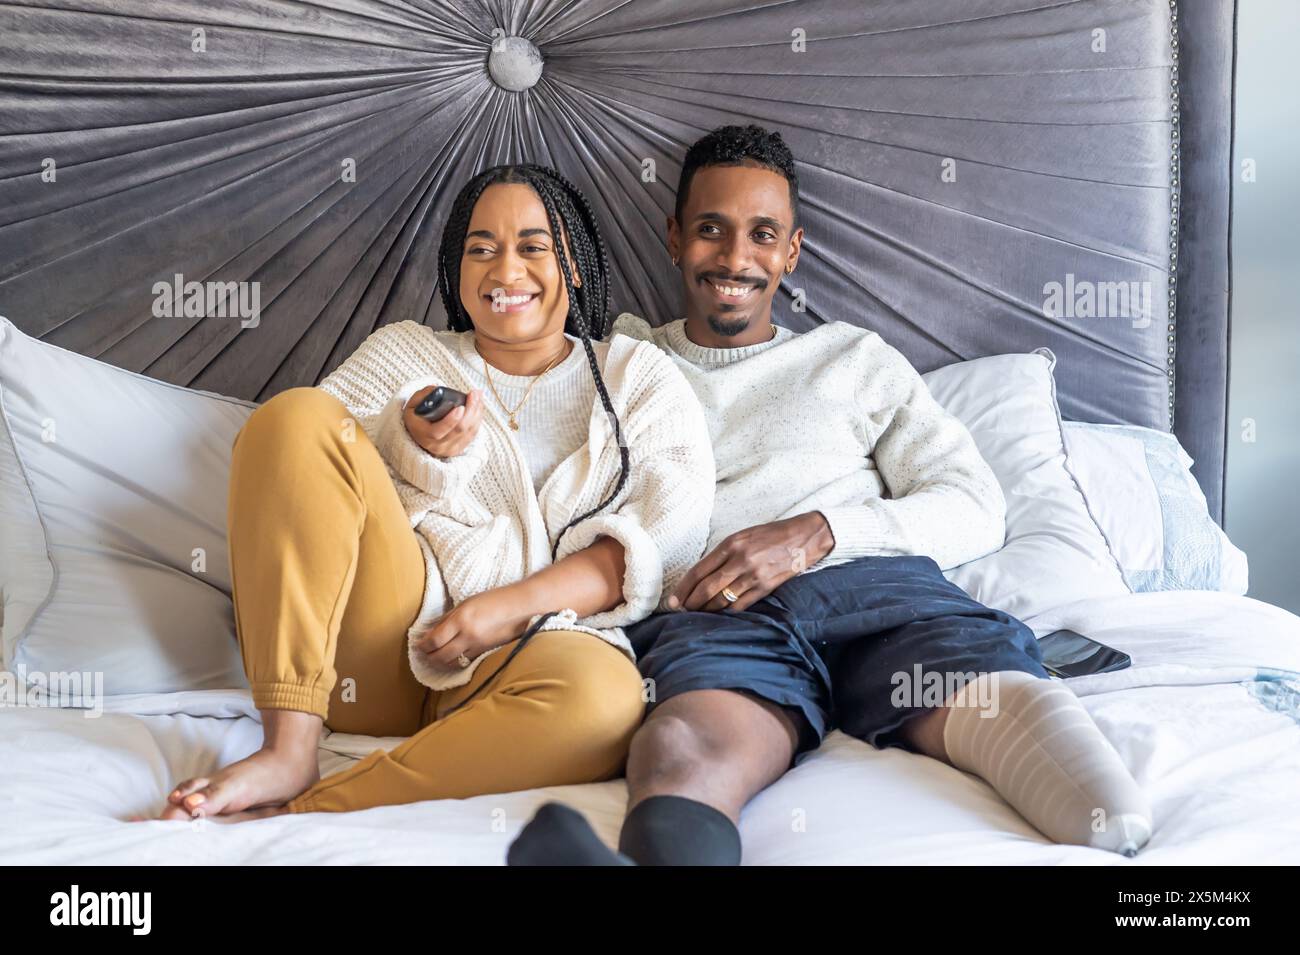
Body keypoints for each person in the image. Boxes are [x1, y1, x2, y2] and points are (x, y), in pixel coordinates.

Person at [508, 125, 1153, 864]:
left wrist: (815, 532)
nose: (734, 257)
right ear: (675, 235)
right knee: (685, 744)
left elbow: (976, 505)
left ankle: (1152, 871)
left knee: (1014, 709)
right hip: (722, 618)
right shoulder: (621, 363)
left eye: (762, 235)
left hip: (879, 595)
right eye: (711, 230)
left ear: (792, 250)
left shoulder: (854, 358)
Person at [154, 164, 714, 822]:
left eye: (533, 247)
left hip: (527, 660)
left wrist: (501, 610)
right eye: (481, 249)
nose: (506, 271)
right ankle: (289, 746)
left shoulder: (636, 375)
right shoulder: (405, 353)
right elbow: (305, 479)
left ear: (578, 265)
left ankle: (317, 803)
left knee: (608, 700)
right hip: (374, 656)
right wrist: (410, 440)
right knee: (293, 416)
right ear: (455, 267)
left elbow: (667, 535)